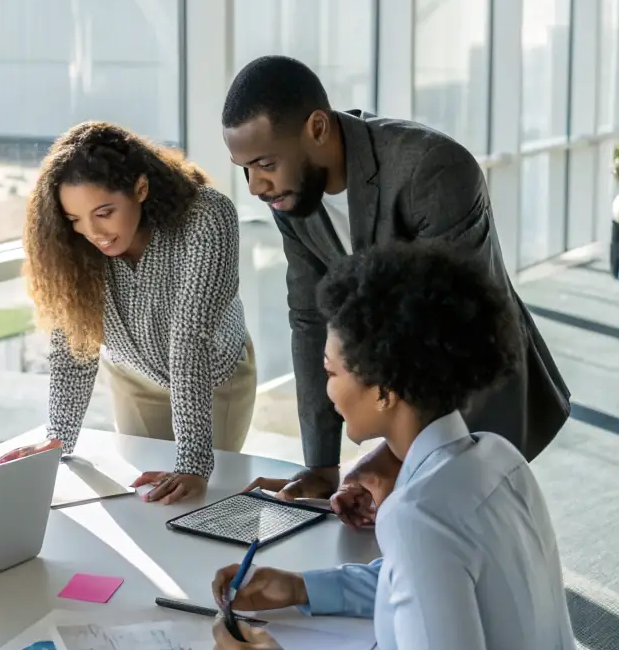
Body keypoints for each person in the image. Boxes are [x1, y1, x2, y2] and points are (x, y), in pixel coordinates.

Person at [212, 243, 613, 650]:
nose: (327, 388)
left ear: (386, 389)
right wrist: (302, 589)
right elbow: (440, 590)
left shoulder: (419, 515)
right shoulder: (494, 461)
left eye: (332, 370)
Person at [221, 55, 569, 518]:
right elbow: (310, 320)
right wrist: (322, 465)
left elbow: (456, 328)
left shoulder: (432, 169)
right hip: (400, 405)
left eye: (264, 163)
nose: (255, 185)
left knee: (480, 534)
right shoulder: (290, 194)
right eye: (244, 168)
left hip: (478, 397)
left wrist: (396, 452)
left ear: (318, 128)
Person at [0, 121, 256, 505]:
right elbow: (74, 341)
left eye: (104, 212)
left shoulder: (207, 216)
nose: (93, 232)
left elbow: (190, 338)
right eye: (75, 220)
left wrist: (194, 462)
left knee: (203, 499)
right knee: (145, 503)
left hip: (215, 375)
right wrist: (59, 437)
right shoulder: (79, 244)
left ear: (141, 188)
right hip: (134, 379)